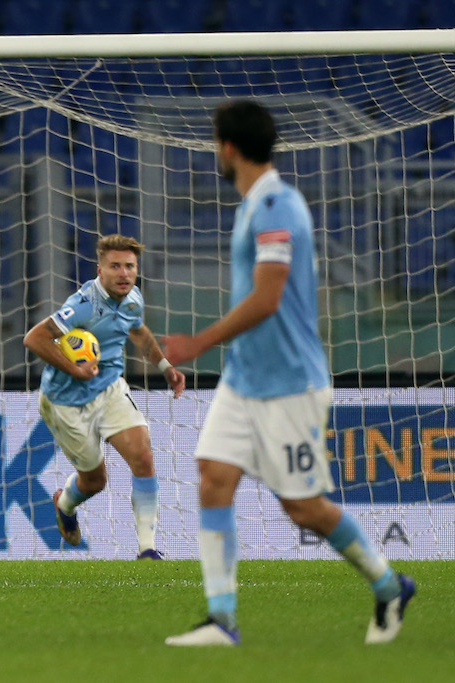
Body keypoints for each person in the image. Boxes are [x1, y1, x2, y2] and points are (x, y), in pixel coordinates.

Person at [163, 100, 415, 647]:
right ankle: (222, 620)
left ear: (227, 148)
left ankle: (390, 584)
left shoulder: (277, 204)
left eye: (215, 143)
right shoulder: (255, 203)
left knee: (303, 508)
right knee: (212, 476)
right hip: (244, 380)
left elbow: (270, 297)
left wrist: (198, 342)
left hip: (289, 384)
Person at [24, 235, 186, 559]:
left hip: (110, 388)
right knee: (95, 481)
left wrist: (165, 366)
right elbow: (34, 338)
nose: (124, 273)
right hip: (65, 401)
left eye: (130, 266)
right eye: (115, 266)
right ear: (100, 270)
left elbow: (137, 331)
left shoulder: (132, 299)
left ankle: (148, 549)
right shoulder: (83, 304)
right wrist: (75, 369)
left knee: (143, 457)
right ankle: (65, 503)